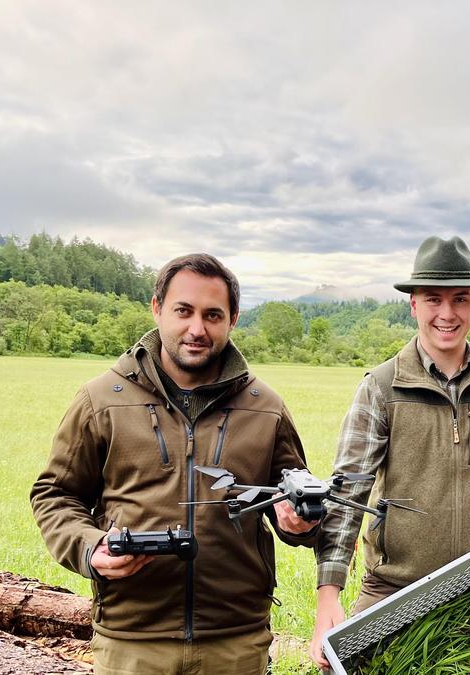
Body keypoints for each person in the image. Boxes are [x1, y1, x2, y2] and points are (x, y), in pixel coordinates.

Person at [30, 253, 318, 675]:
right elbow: (55, 493)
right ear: (157, 308)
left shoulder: (266, 407)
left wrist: (303, 523)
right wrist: (90, 548)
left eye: (213, 315)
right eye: (183, 311)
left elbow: (294, 498)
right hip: (132, 642)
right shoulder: (101, 399)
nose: (197, 329)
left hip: (236, 643)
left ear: (232, 320)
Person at [309, 235, 470, 668]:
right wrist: (329, 594)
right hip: (393, 590)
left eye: (460, 299)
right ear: (413, 305)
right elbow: (348, 494)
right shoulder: (382, 389)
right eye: (433, 299)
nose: (447, 313)